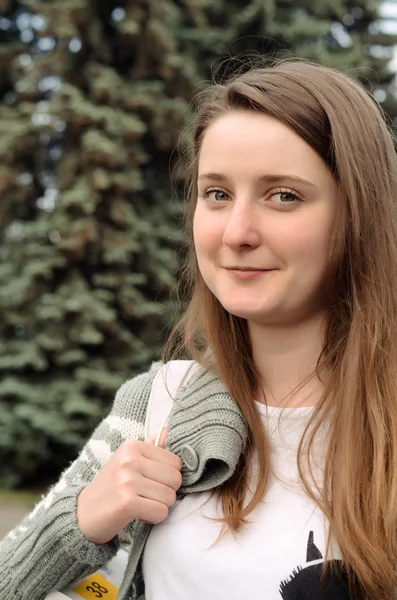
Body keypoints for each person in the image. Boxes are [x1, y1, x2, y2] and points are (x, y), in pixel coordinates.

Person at [1, 56, 397, 600]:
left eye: (283, 195)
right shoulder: (157, 408)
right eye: (217, 194)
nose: (237, 232)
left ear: (359, 214)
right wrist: (80, 523)